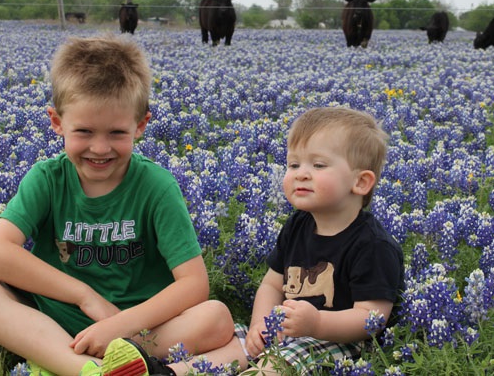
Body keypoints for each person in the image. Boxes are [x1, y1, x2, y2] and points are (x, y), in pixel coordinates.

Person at [0, 34, 234, 376]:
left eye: (116, 133)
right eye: (84, 131)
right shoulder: (47, 178)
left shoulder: (157, 187)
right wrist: (83, 295)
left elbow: (194, 284)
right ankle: (88, 370)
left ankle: (86, 362)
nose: (100, 148)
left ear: (141, 125)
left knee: (216, 317)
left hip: (137, 325)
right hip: (57, 316)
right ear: (57, 122)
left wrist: (119, 328)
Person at [97, 106, 405, 375]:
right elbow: (272, 285)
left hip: (338, 345)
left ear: (361, 182)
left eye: (318, 165)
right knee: (237, 340)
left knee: (279, 363)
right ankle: (169, 372)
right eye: (294, 165)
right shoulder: (299, 225)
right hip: (286, 331)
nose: (301, 174)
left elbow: (372, 318)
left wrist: (317, 324)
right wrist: (260, 324)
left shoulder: (373, 245)